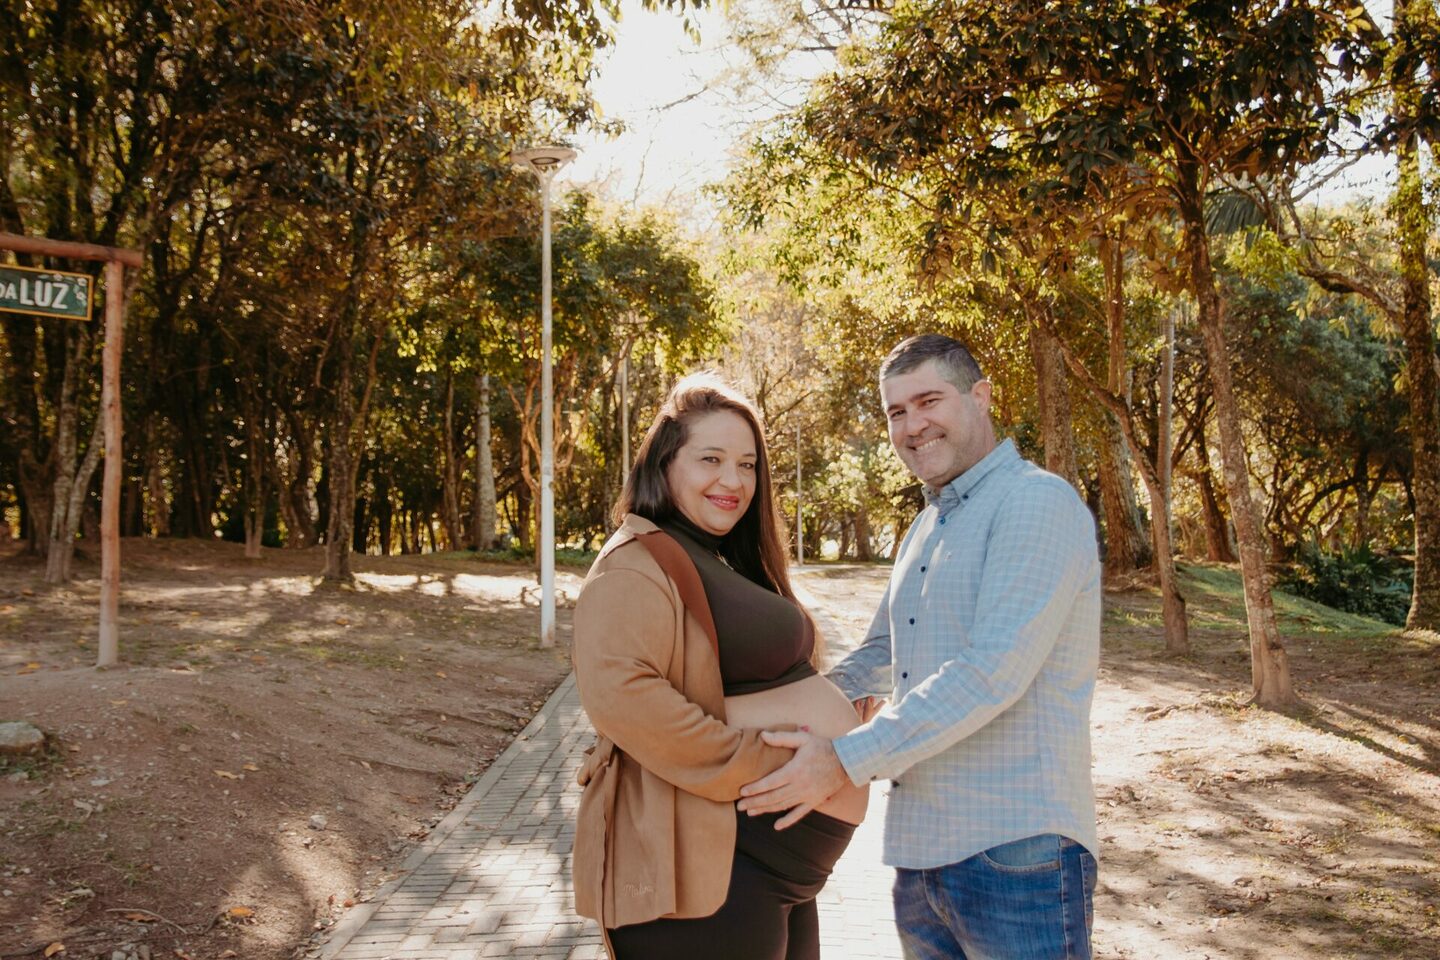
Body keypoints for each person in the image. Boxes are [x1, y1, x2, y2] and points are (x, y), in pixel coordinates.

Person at [738, 334, 1102, 960]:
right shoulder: (929, 524)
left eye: (928, 401)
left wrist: (844, 759)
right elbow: (879, 653)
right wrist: (756, 720)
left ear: (980, 397)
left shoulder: (1035, 502)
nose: (912, 425)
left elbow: (991, 672)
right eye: (895, 412)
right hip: (922, 856)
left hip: (1018, 853)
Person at [571, 373, 869, 960]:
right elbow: (627, 702)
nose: (733, 481)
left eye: (748, 464)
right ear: (664, 463)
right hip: (710, 873)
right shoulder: (634, 563)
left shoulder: (712, 557)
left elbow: (730, 683)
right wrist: (783, 766)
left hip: (764, 870)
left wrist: (842, 719)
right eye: (711, 459)